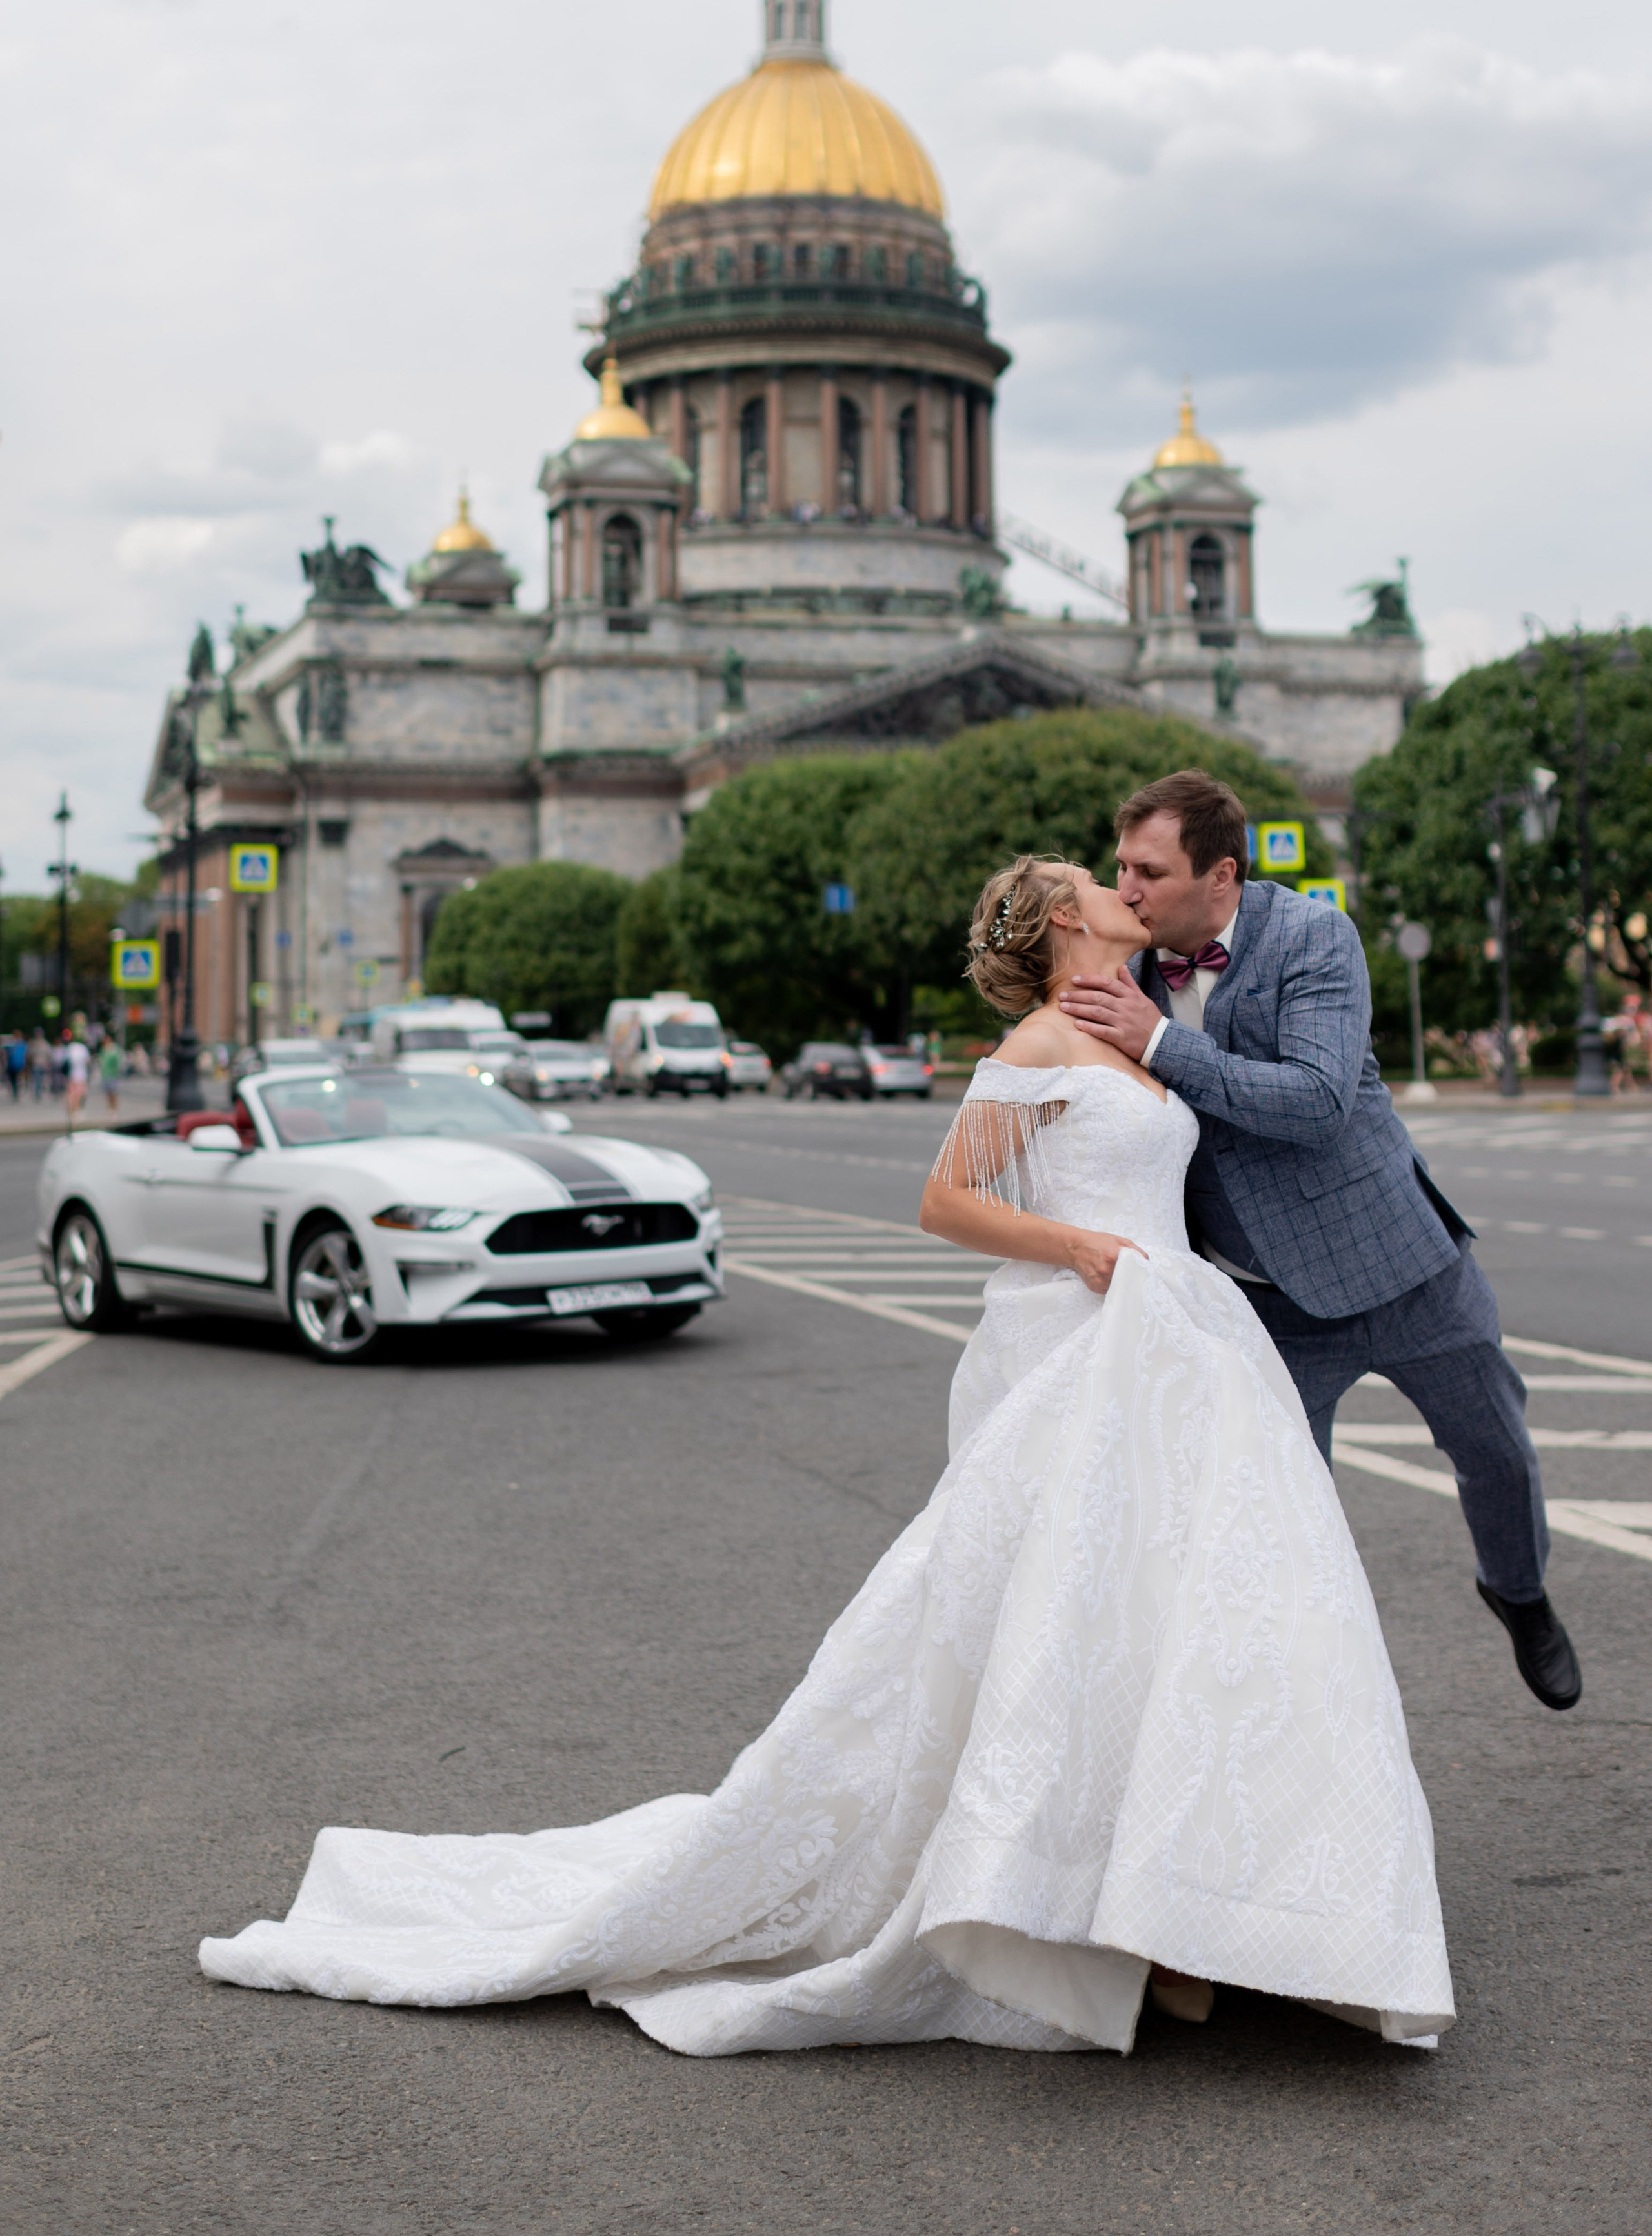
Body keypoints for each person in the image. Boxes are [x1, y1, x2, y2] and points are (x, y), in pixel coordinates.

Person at [199, 852, 1454, 2055]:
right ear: (1060, 923)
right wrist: (1071, 1251)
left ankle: (1183, 1918)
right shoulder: (1031, 1051)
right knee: (1071, 1627)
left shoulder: (1129, 1029)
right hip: (1088, 1348)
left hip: (1174, 1347)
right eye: (1093, 882)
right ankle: (1092, 1919)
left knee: (1190, 1625)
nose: (1117, 887)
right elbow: (945, 1201)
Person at [1060, 769, 1580, 1715]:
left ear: (1220, 876)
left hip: (1403, 1262)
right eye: (1120, 866)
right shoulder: (1120, 975)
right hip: (1267, 1299)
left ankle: (1520, 1590)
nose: (1126, 888)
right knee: (1282, 1515)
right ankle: (1298, 1705)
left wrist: (1165, 1045)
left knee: (1496, 1450)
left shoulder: (1312, 934)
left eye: (1148, 869)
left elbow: (1318, 1098)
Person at [62, 1031, 90, 1118]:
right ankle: (76, 1110)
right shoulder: (83, 1049)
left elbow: (65, 1062)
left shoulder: (69, 1048)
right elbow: (88, 1062)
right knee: (79, 1094)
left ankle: (71, 1110)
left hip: (71, 1075)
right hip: (81, 1075)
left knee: (71, 1093)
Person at [97, 1033, 124, 1114]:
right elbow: (101, 1060)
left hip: (112, 1074)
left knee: (113, 1092)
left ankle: (114, 1108)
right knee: (107, 1092)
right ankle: (109, 1107)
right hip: (105, 1073)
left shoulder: (114, 1049)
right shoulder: (104, 1050)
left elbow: (118, 1061)